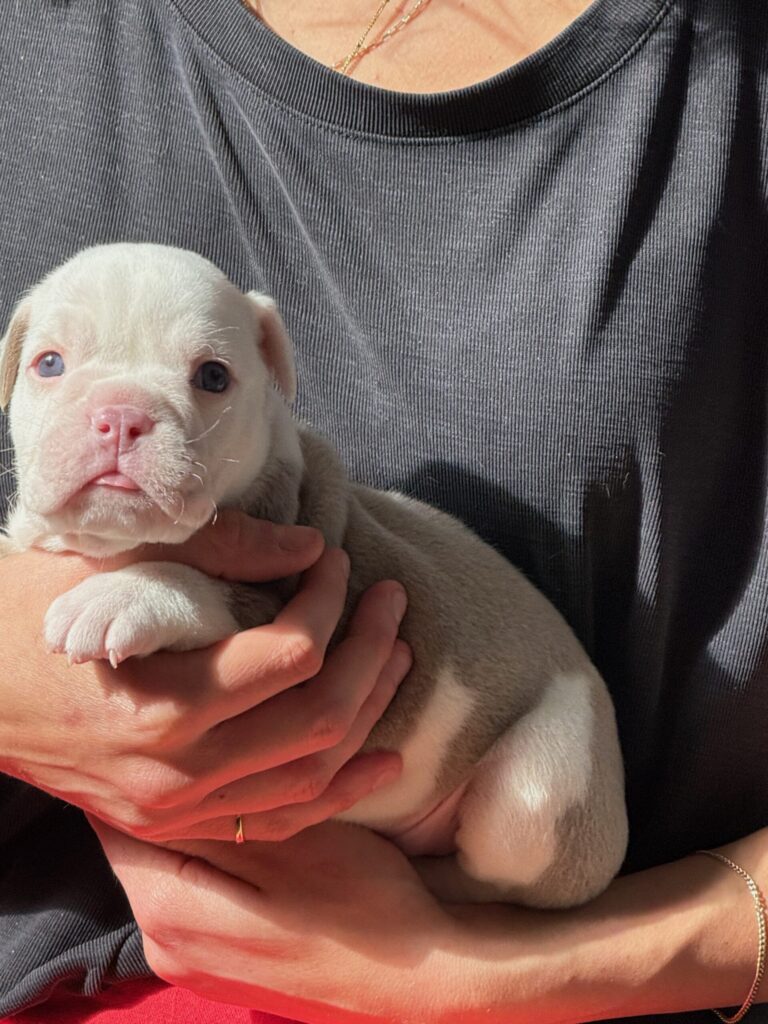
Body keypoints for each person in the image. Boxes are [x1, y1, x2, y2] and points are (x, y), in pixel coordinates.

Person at [1, 0, 767, 1021]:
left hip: (557, 937)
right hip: (64, 964)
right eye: (54, 365)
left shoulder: (721, 97)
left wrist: (473, 969)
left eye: (208, 379)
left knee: (539, 790)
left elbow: (253, 608)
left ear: (272, 375)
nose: (120, 420)